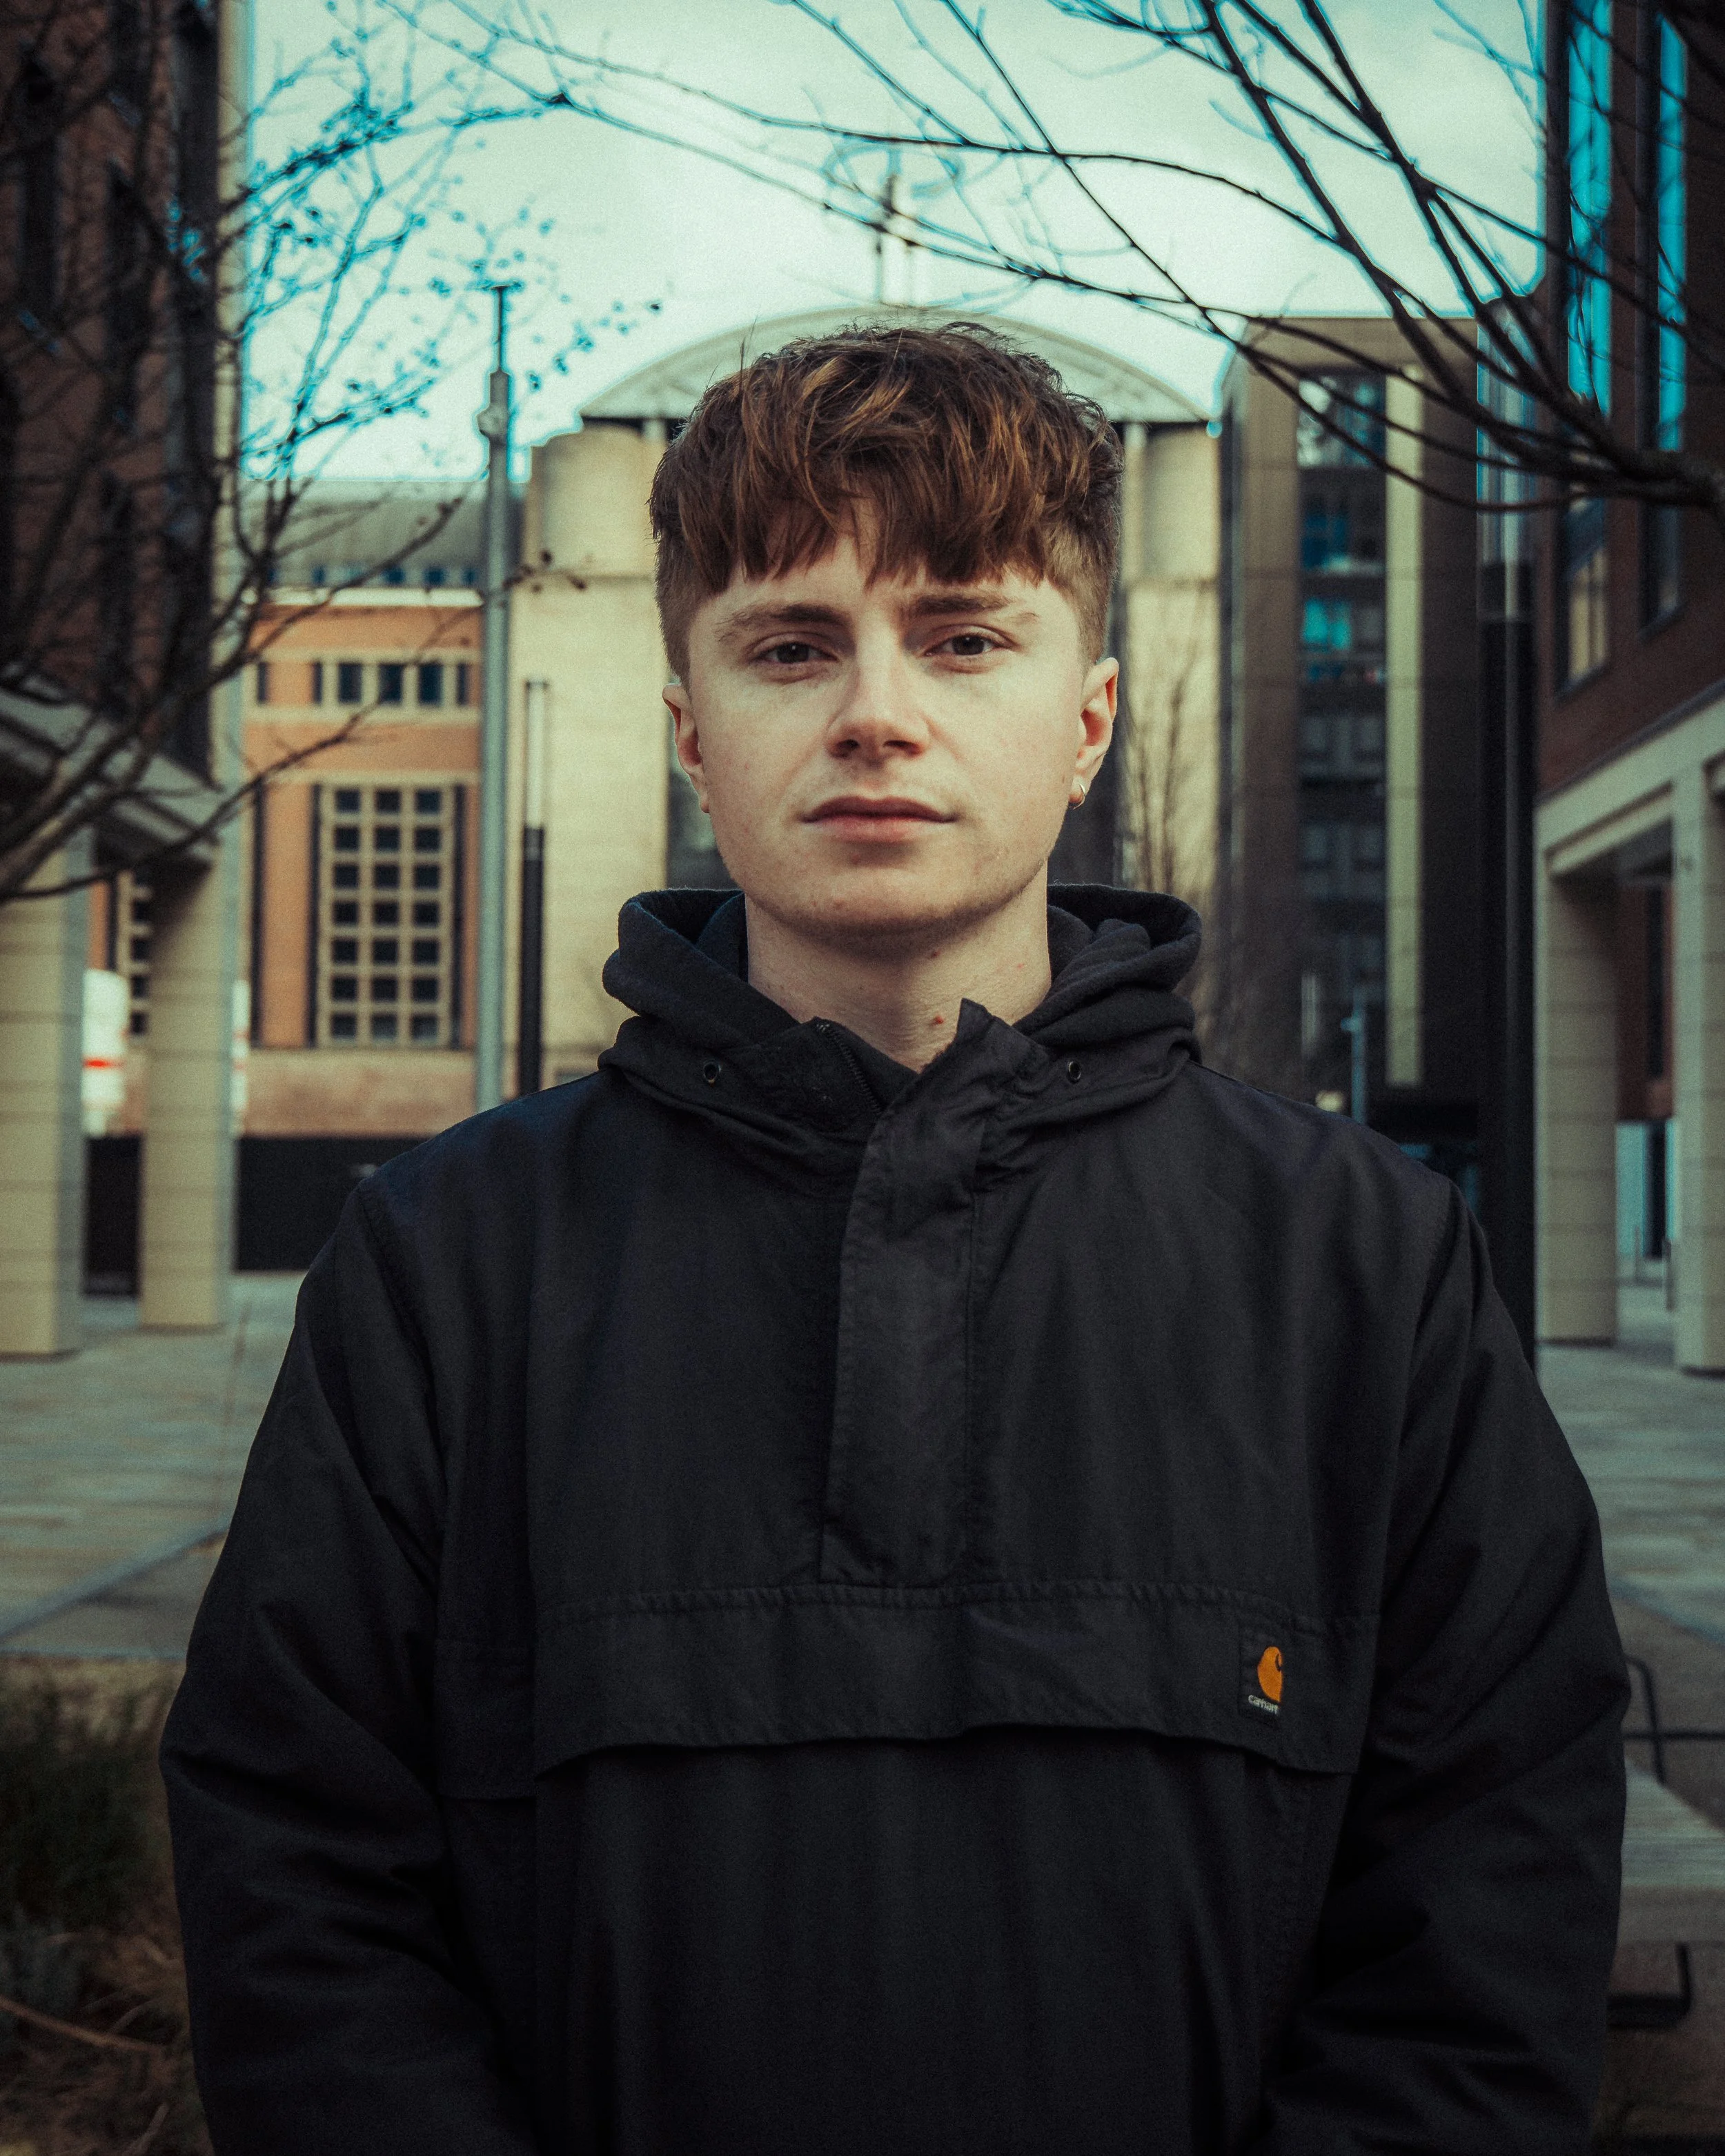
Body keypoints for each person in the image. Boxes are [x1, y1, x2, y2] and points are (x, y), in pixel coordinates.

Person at [163, 323, 1626, 2155]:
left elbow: (1486, 1908)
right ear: (692, 731)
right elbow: (299, 1887)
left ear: (1086, 715)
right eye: (792, 643)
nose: (873, 708)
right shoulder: (446, 1263)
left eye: (959, 634)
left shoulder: (1363, 1270)